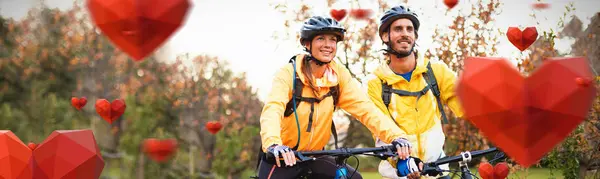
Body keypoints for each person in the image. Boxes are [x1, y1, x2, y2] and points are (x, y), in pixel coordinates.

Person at [257, 16, 419, 179]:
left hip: (315, 156)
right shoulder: (288, 74)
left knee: (354, 178)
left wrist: (396, 136)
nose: (328, 45)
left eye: (333, 40)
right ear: (307, 43)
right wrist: (273, 144)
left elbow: (366, 110)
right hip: (282, 157)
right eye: (321, 38)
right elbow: (273, 109)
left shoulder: (338, 76)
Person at [365, 5, 465, 179]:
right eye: (398, 29)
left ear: (415, 36)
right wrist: (402, 162)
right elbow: (380, 127)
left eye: (409, 29)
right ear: (385, 36)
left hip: (438, 170)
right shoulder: (375, 83)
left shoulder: (435, 71)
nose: (405, 33)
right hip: (398, 174)